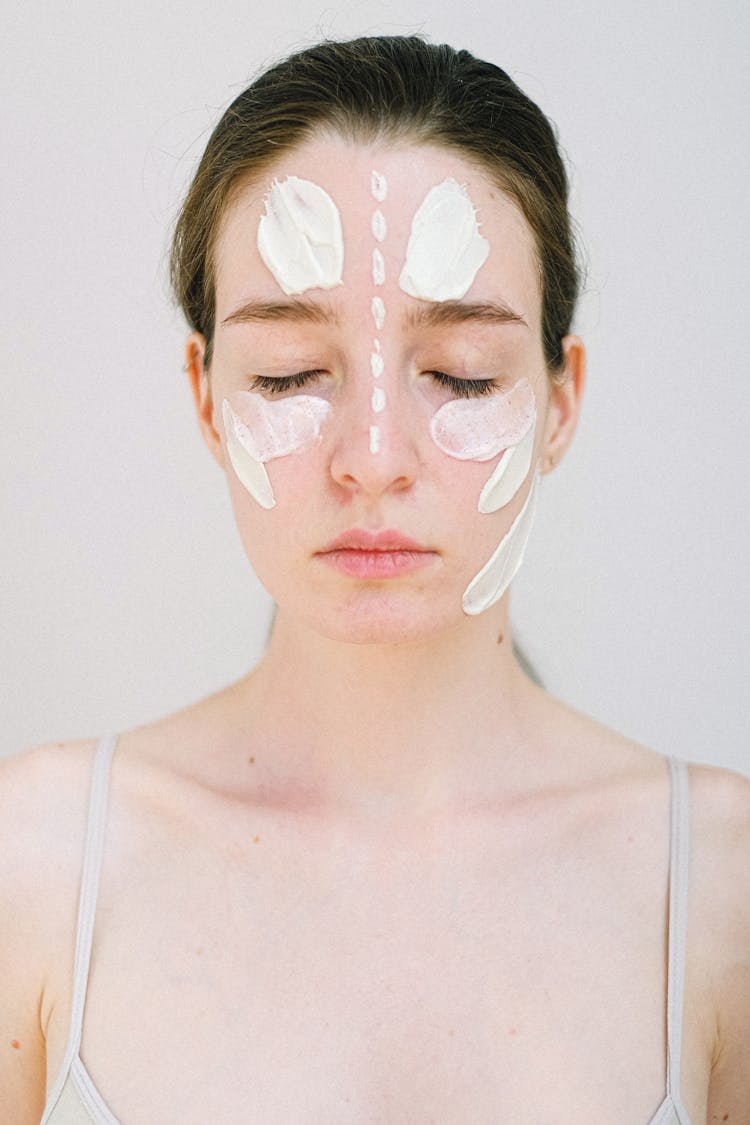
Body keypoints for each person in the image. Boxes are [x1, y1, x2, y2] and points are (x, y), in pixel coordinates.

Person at [1, 35, 748, 1124]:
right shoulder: (32, 866)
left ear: (560, 400)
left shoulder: (724, 893)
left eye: (462, 374)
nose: (374, 457)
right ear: (208, 397)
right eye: (291, 373)